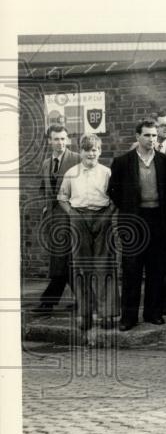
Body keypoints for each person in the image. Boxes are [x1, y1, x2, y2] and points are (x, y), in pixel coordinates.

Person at [108, 120, 166, 330]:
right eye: (147, 135)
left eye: (154, 135)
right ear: (137, 137)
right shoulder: (122, 162)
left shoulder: (164, 161)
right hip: (133, 220)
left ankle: (153, 313)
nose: (152, 139)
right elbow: (113, 191)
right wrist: (129, 210)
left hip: (157, 219)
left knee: (156, 268)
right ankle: (128, 317)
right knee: (132, 269)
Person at [57, 134, 116, 332]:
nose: (91, 153)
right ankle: (85, 314)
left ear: (100, 151)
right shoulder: (71, 173)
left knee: (104, 266)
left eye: (95, 150)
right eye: (87, 150)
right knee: (81, 268)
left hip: (102, 216)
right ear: (80, 152)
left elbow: (115, 199)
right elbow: (63, 198)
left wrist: (106, 216)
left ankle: (106, 313)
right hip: (79, 217)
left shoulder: (107, 173)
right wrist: (73, 215)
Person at [131, 110, 166, 314]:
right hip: (140, 213)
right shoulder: (134, 152)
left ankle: (162, 304)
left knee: (164, 261)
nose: (165, 128)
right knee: (138, 263)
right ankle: (138, 309)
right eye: (161, 126)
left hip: (165, 213)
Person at [33, 125, 81, 312]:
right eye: (56, 139)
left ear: (67, 140)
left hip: (71, 218)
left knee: (62, 260)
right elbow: (44, 188)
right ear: (49, 141)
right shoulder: (46, 163)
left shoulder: (76, 159)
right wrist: (45, 207)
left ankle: (48, 302)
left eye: (63, 139)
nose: (60, 143)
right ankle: (85, 300)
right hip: (53, 220)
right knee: (64, 261)